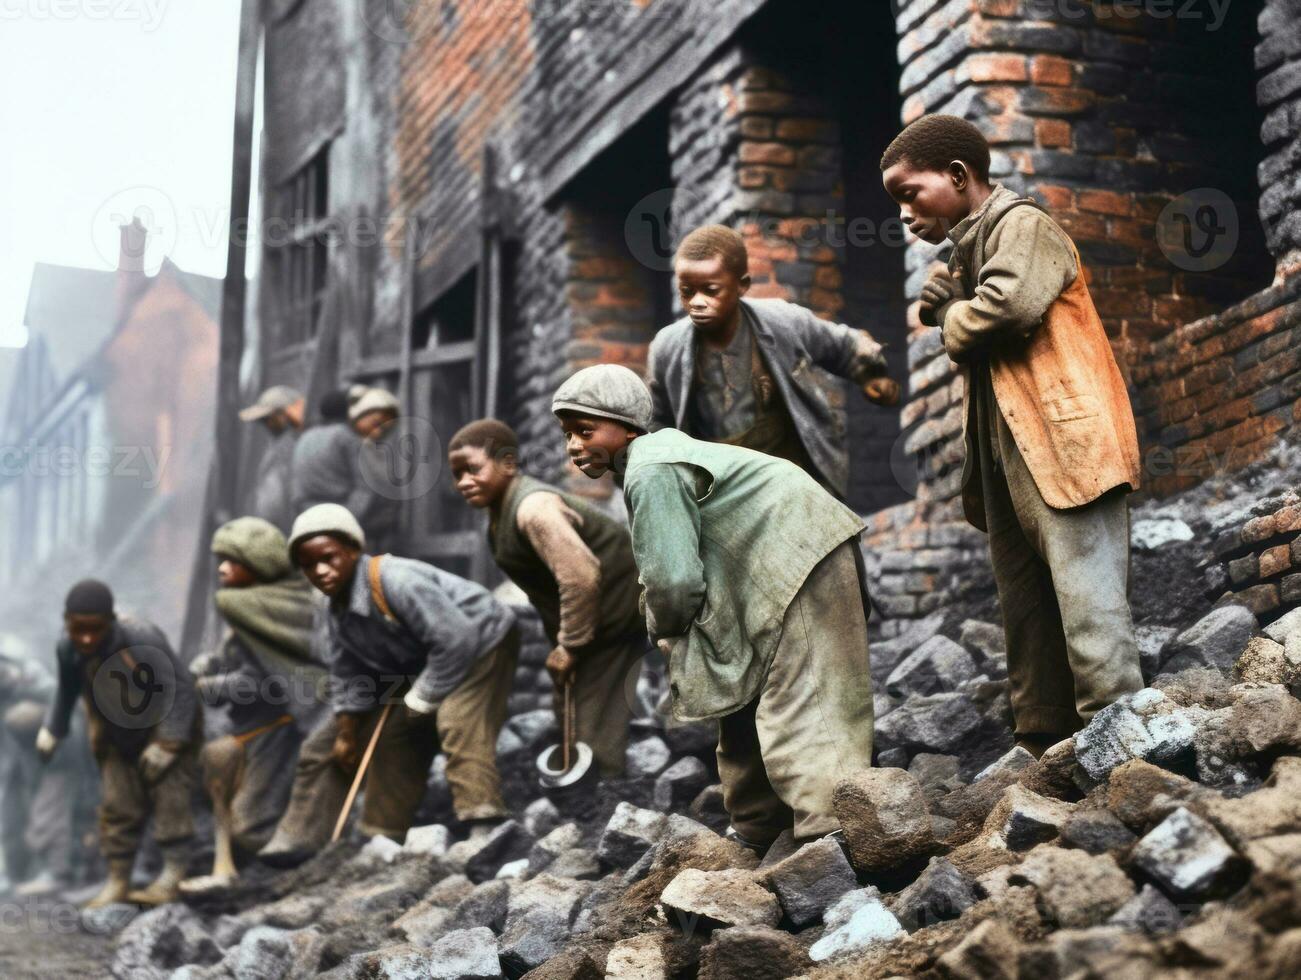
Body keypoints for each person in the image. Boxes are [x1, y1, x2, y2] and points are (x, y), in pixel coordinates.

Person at [881, 114, 1144, 756]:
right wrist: (954, 299)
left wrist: (947, 310)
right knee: (1025, 602)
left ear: (958, 176)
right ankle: (1046, 738)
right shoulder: (972, 247)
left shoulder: (1022, 225)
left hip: (1067, 443)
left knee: (1086, 592)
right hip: (1012, 453)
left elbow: (1007, 311)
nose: (905, 214)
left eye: (909, 193)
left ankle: (1127, 745)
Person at [551, 364, 874, 852]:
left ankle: (834, 844)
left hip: (802, 553)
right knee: (741, 686)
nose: (574, 445)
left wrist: (667, 627)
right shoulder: (649, 462)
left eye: (586, 430)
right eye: (568, 434)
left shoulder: (649, 467)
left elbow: (673, 580)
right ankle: (758, 829)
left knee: (804, 698)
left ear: (628, 427)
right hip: (771, 564)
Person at [257, 504, 518, 865]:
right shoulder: (333, 606)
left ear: (352, 550)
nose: (320, 571)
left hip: (480, 641)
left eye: (329, 558)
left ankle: (484, 824)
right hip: (425, 659)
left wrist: (421, 698)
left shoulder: (395, 580)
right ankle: (381, 835)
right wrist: (348, 731)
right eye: (308, 564)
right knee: (394, 734)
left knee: (457, 719)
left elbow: (456, 639)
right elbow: (346, 670)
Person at [448, 418, 647, 777]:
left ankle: (606, 805)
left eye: (473, 469)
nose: (464, 482)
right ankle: (584, 795)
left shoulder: (533, 509)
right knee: (569, 709)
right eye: (456, 474)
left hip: (617, 611)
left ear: (507, 463)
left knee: (592, 724)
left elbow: (581, 576)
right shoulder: (499, 513)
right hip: (595, 622)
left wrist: (569, 645)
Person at [645, 224, 900, 499]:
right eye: (687, 291)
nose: (697, 302)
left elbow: (842, 344)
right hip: (717, 488)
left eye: (711, 290)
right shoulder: (667, 347)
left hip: (791, 475)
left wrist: (870, 375)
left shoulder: (783, 322)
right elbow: (658, 421)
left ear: (742, 285)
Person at [182, 517, 328, 894]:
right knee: (222, 787)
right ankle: (229, 873)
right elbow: (236, 654)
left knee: (250, 824)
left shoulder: (273, 608)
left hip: (277, 729)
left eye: (234, 561)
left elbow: (262, 683)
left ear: (257, 564)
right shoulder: (250, 606)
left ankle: (300, 877)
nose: (222, 569)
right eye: (221, 559)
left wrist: (207, 687)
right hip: (247, 729)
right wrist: (207, 664)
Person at [36, 580, 200, 907]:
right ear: (66, 621)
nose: (85, 638)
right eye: (76, 629)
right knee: (117, 805)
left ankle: (173, 874)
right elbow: (66, 689)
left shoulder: (140, 638)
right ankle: (118, 880)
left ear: (109, 622)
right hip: (115, 732)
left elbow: (180, 688)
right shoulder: (67, 647)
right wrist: (53, 728)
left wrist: (168, 744)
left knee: (170, 798)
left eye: (94, 630)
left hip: (161, 728)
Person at [239, 385, 306, 533]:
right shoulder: (277, 444)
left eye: (270, 418)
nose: (267, 424)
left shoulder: (295, 445)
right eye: (264, 420)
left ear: (285, 414)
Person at [290, 388, 363, 516]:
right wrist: (351, 517)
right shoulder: (345, 436)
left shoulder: (306, 436)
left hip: (307, 510)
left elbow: (296, 486)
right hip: (338, 510)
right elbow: (363, 484)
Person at [348, 387, 403, 555]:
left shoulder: (379, 450)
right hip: (359, 528)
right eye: (376, 423)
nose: (380, 430)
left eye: (387, 427)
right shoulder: (351, 446)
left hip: (382, 530)